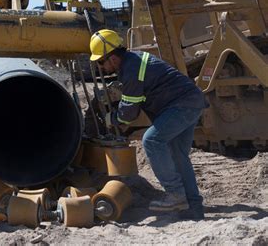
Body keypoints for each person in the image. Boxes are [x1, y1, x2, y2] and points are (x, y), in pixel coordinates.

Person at [89, 29, 208, 220]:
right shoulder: (133, 61)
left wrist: (113, 119)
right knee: (178, 155)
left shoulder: (132, 68)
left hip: (182, 105)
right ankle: (194, 208)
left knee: (151, 140)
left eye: (101, 61)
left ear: (112, 57)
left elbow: (129, 112)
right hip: (190, 102)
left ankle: (175, 195)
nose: (100, 66)